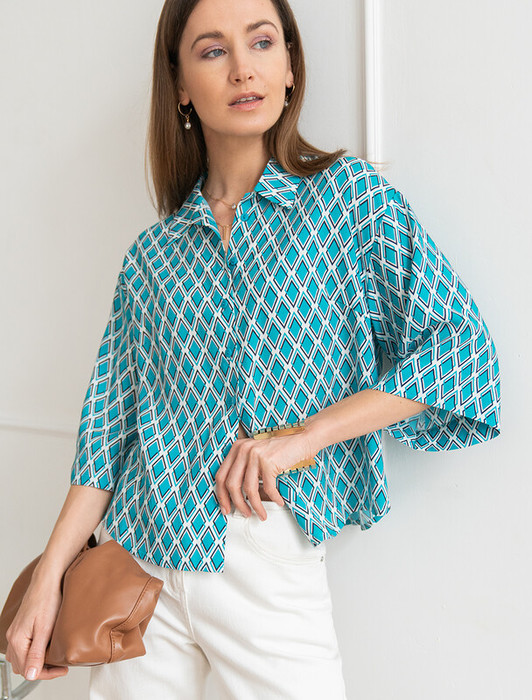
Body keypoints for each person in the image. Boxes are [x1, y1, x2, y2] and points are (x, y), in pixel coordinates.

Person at [4, 0, 501, 697]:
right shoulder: (151, 256)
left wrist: (303, 438)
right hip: (139, 563)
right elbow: (105, 435)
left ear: (290, 66)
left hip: (262, 549)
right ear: (180, 85)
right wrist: (48, 578)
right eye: (213, 51)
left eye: (262, 42)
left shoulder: (348, 202)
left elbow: (462, 351)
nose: (243, 68)